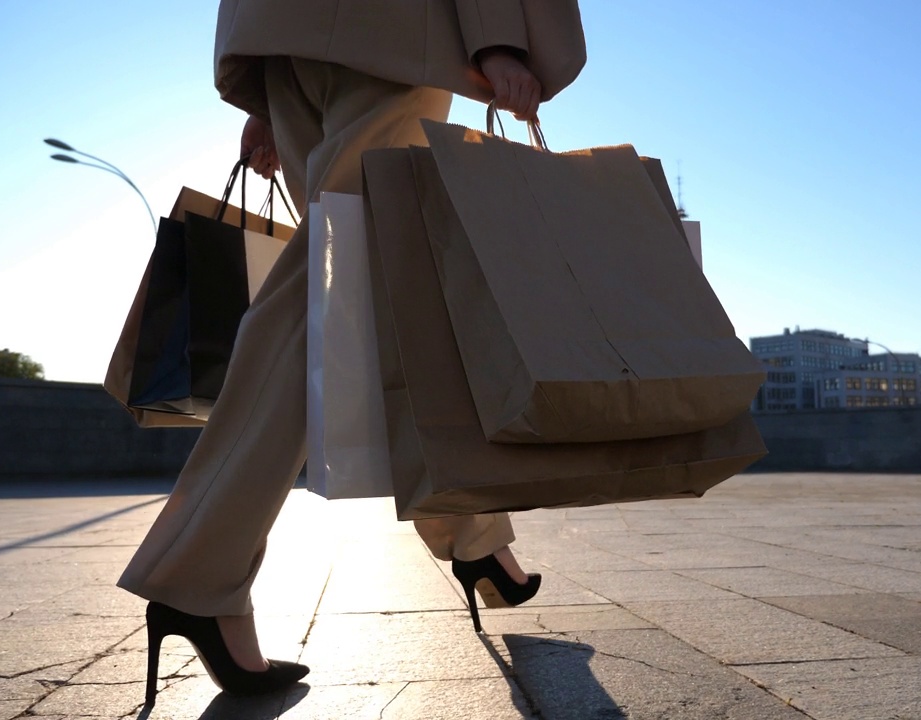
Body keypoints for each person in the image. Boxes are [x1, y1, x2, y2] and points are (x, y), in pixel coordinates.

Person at [116, 0, 586, 707]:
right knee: (339, 282)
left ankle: (473, 531)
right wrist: (496, 34)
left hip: (290, 34)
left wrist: (269, 91)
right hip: (399, 31)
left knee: (383, 283)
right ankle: (195, 573)